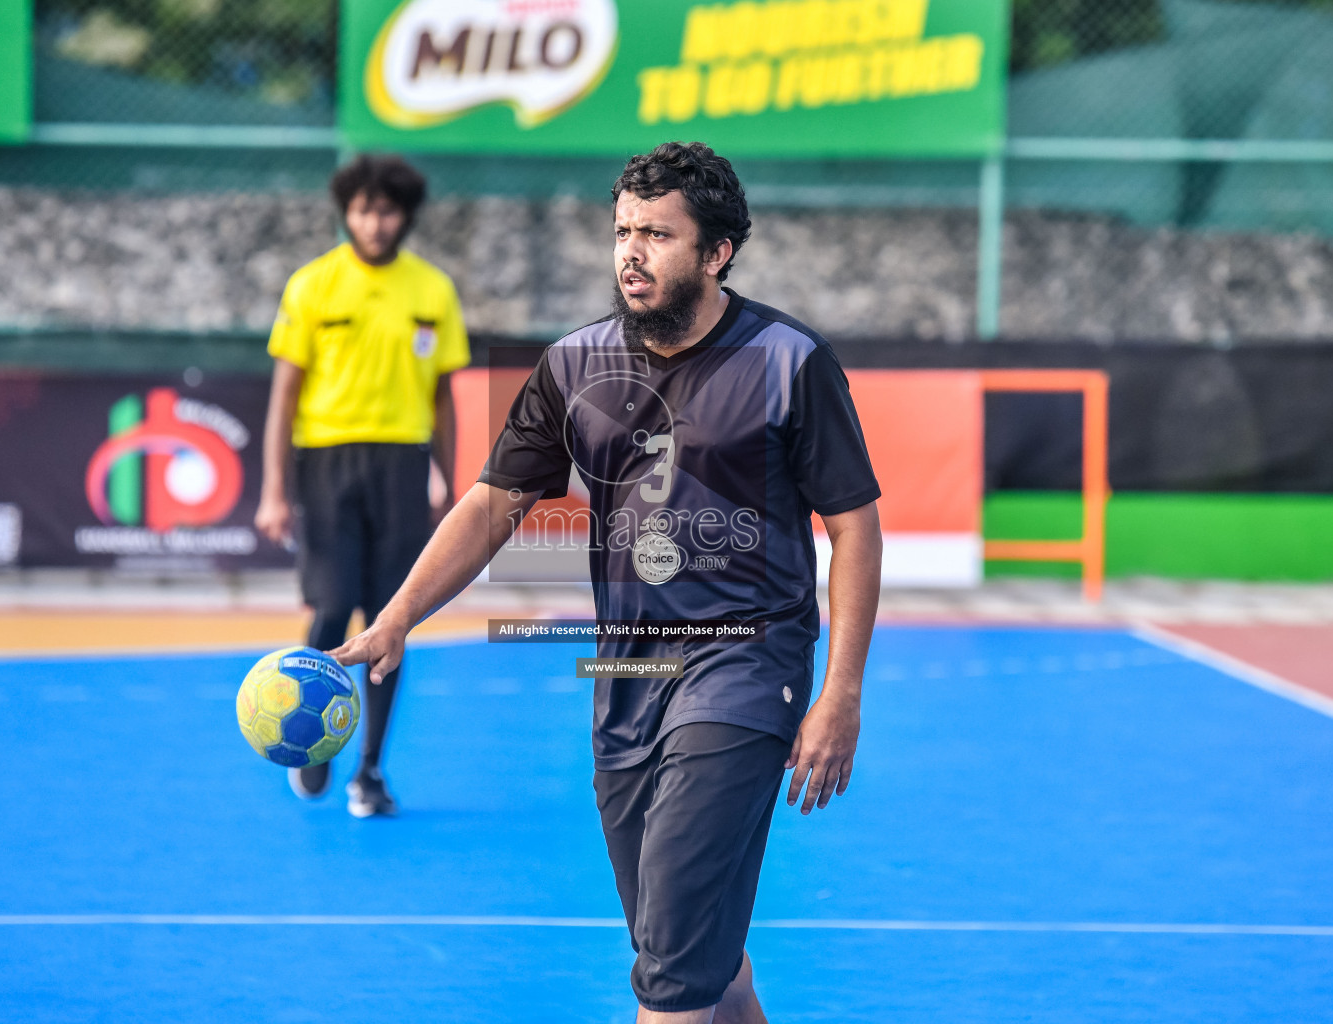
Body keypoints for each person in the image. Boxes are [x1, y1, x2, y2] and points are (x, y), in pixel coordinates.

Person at [331, 141, 881, 1022]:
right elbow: (491, 505)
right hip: (627, 675)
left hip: (749, 664)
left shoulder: (789, 360)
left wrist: (842, 691)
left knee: (668, 970)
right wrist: (396, 619)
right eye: (623, 230)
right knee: (692, 946)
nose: (631, 250)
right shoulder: (573, 367)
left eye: (658, 234)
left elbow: (853, 526)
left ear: (716, 252)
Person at [255, 154, 469, 817]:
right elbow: (284, 395)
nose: (374, 223)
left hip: (401, 467)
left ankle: (370, 770)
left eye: (386, 210)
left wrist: (448, 477)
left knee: (389, 620)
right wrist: (273, 490)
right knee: (331, 606)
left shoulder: (432, 290)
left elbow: (442, 399)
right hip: (325, 466)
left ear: (403, 216)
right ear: (347, 213)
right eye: (363, 210)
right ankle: (313, 748)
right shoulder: (312, 285)